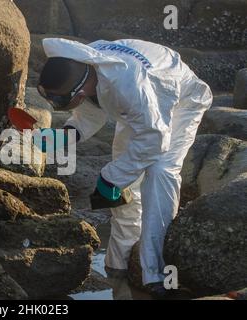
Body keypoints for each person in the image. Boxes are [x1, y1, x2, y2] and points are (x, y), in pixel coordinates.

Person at [35, 38, 213, 298]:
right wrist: (64, 137)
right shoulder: (86, 66)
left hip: (180, 101)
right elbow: (91, 111)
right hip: (144, 108)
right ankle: (118, 264)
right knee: (123, 179)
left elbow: (155, 139)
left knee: (159, 172)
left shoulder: (128, 84)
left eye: (58, 102)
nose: (54, 106)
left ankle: (156, 274)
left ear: (79, 93)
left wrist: (111, 178)